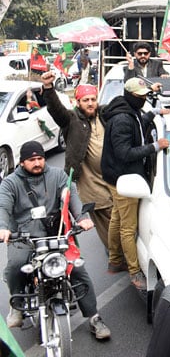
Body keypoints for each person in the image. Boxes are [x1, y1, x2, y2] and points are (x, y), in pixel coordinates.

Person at [0, 141, 111, 339]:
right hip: (23, 237)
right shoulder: (10, 182)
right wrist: (3, 228)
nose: (37, 163)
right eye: (31, 160)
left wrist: (82, 218)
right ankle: (17, 307)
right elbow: (3, 206)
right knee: (15, 267)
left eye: (40, 158)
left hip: (55, 233)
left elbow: (72, 197)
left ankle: (94, 317)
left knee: (77, 269)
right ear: (22, 162)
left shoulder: (58, 176)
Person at [101, 77, 170, 290]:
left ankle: (114, 259)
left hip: (116, 175)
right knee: (128, 227)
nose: (143, 100)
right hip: (125, 178)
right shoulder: (122, 119)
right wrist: (154, 147)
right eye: (140, 97)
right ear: (130, 96)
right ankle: (133, 270)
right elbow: (124, 153)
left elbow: (139, 122)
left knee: (117, 218)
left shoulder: (129, 111)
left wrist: (154, 114)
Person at [42, 72, 112, 252]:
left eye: (93, 99)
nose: (90, 103)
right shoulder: (72, 119)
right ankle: (116, 256)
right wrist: (49, 89)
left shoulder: (103, 115)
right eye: (86, 100)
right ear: (78, 102)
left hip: (111, 177)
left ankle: (118, 252)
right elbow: (56, 110)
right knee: (108, 219)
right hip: (89, 181)